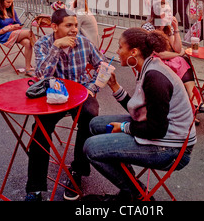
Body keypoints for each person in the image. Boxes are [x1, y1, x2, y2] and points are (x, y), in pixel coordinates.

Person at [83, 28, 197, 202]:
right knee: (95, 124)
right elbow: (139, 110)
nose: (118, 51)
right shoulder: (148, 66)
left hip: (172, 148)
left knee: (91, 147)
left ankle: (136, 194)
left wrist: (123, 128)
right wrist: (114, 86)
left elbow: (156, 129)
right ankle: (129, 186)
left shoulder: (155, 77)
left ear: (134, 52)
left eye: (120, 47)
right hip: (161, 132)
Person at [25, 7, 103, 201]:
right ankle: (34, 187)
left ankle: (78, 172)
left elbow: (103, 66)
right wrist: (56, 48)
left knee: (90, 116)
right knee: (39, 128)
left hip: (82, 92)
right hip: (53, 93)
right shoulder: (43, 44)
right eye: (69, 25)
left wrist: (93, 87)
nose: (74, 29)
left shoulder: (85, 43)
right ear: (54, 27)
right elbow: (42, 75)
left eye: (75, 25)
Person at [142, 1, 204, 114]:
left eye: (170, 11)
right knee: (181, 59)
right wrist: (178, 54)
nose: (170, 13)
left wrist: (175, 29)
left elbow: (177, 48)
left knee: (184, 60)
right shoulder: (149, 27)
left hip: (163, 60)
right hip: (152, 63)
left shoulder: (166, 26)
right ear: (156, 14)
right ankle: (192, 106)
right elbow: (159, 53)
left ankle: (194, 103)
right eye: (165, 11)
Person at [0, 0, 34, 75]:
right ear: (2, 1)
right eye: (8, 2)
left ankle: (28, 69)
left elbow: (18, 24)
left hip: (14, 33)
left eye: (11, 2)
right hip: (4, 36)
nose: (10, 4)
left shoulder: (11, 10)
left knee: (28, 43)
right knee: (29, 33)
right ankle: (42, 54)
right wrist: (11, 27)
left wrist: (14, 27)